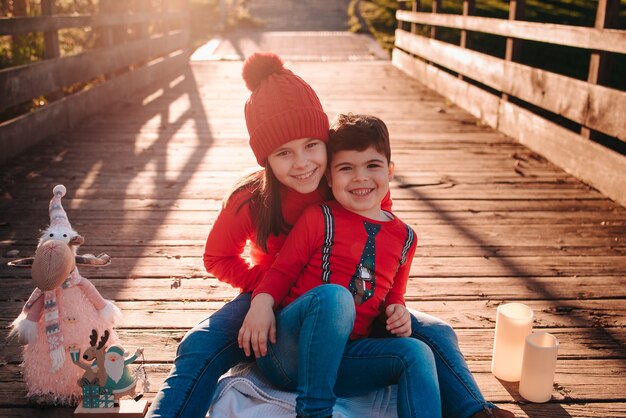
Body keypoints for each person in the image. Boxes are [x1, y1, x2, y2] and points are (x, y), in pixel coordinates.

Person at [147, 52, 514, 418]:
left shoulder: (350, 183)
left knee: (434, 333)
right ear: (266, 160)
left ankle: (476, 410)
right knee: (202, 341)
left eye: (311, 145)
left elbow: (383, 251)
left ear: (326, 140)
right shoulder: (251, 199)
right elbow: (217, 258)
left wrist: (394, 304)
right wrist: (266, 293)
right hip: (274, 293)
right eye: (284, 153)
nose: (303, 163)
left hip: (345, 292)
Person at [239, 113, 441, 418]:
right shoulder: (320, 217)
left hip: (346, 360)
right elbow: (281, 271)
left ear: (390, 170)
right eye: (346, 168)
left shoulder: (406, 238)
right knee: (335, 297)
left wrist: (398, 310)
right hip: (289, 352)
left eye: (372, 165)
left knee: (417, 353)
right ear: (330, 178)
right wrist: (261, 305)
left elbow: (394, 295)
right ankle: (315, 412)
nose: (360, 178)